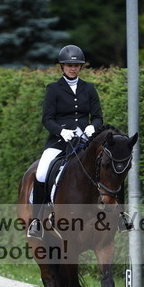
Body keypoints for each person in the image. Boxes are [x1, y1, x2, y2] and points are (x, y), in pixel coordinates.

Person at [27, 44, 103, 238]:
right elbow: (47, 119)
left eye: (76, 65)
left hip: (84, 142)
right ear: (62, 66)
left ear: (81, 67)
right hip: (59, 142)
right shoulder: (53, 89)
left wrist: (93, 127)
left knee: (107, 166)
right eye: (69, 65)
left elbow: (97, 116)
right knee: (41, 172)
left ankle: (119, 215)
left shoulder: (89, 88)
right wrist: (61, 131)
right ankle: (36, 221)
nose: (73, 68)